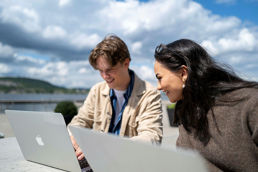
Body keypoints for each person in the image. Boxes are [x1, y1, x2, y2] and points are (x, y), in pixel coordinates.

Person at [153, 39, 258, 172]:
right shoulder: (186, 110)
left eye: (159, 77)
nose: (158, 87)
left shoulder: (250, 103)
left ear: (183, 73)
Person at [68, 35, 163, 162]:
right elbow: (80, 121)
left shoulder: (149, 94)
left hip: (129, 164)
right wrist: (73, 135)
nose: (105, 76)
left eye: (109, 70)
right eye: (100, 71)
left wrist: (105, 147)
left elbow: (152, 137)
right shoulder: (97, 91)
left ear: (126, 63)